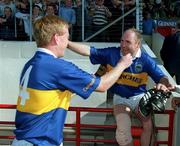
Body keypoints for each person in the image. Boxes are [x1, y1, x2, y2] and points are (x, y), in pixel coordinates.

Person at [11, 15, 133, 146]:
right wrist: (122, 64)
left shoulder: (30, 64)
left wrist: (91, 79)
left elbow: (54, 93)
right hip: (39, 142)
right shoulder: (57, 67)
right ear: (56, 38)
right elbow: (102, 85)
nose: (68, 43)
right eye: (67, 38)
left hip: (22, 140)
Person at [67, 28, 174, 146]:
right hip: (120, 99)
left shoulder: (146, 60)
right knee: (123, 130)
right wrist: (67, 43)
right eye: (122, 40)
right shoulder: (112, 53)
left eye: (128, 42)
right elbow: (89, 51)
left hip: (140, 98)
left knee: (148, 126)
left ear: (137, 44)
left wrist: (163, 84)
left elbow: (162, 77)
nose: (123, 45)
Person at [160, 20, 180, 85]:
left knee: (164, 86)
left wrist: (166, 62)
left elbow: (163, 52)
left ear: (177, 28)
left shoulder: (168, 37)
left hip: (169, 66)